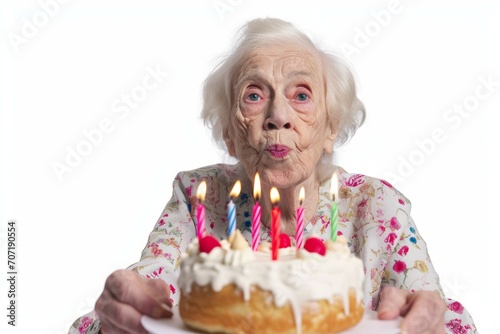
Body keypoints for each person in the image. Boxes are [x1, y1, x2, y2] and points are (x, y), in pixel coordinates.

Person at [69, 18, 477, 334]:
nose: (278, 117)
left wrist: (428, 323)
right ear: (229, 132)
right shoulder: (199, 197)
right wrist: (118, 317)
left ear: (331, 127)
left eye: (301, 95)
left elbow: (445, 318)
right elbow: (141, 297)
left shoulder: (376, 207)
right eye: (254, 95)